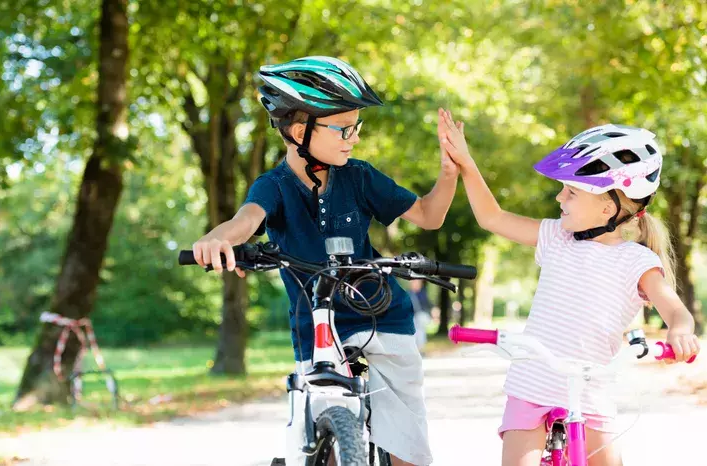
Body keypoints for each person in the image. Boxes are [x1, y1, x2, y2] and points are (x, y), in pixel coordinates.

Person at [193, 56, 461, 466]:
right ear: (300, 131)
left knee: (407, 439)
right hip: (317, 322)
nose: (353, 137)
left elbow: (429, 215)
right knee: (318, 423)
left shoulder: (359, 176)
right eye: (343, 128)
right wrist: (217, 238)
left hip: (382, 313)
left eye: (356, 127)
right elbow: (245, 221)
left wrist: (449, 173)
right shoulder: (274, 186)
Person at [438, 112, 700, 466]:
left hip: (590, 390)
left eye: (571, 192)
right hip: (533, 382)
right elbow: (493, 218)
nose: (560, 198)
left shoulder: (635, 260)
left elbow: (674, 309)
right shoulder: (556, 238)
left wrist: (680, 331)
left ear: (607, 207)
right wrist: (467, 164)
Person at [408, 279, 433, 351]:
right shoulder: (408, 293)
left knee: (419, 323)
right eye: (414, 282)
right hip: (412, 317)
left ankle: (419, 347)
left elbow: (428, 305)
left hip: (422, 316)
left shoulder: (423, 294)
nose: (416, 284)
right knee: (416, 326)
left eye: (418, 282)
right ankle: (418, 348)